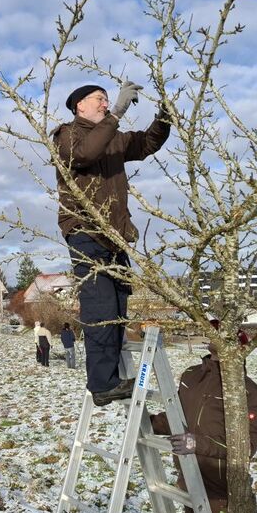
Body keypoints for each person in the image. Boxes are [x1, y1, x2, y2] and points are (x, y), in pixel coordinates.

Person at [53, 82, 171, 406]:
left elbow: (147, 143)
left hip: (114, 234)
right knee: (100, 305)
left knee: (119, 303)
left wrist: (165, 119)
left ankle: (112, 377)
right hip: (86, 232)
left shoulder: (115, 138)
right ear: (79, 106)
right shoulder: (67, 135)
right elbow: (86, 153)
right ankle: (102, 385)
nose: (106, 103)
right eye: (100, 99)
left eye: (108, 99)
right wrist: (117, 112)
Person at [150, 328, 257, 513]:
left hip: (218, 490)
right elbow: (177, 416)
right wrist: (149, 424)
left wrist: (198, 444)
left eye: (223, 332)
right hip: (188, 475)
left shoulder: (248, 392)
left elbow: (245, 448)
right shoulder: (191, 375)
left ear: (239, 346)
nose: (215, 335)